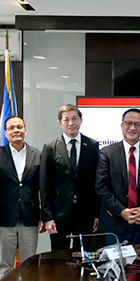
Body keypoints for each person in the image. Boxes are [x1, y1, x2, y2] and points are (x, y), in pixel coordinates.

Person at [95, 108, 140, 245]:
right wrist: (122, 211)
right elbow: (101, 187)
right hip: (115, 223)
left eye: (137, 124)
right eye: (128, 123)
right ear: (122, 126)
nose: (132, 128)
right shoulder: (107, 153)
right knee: (116, 265)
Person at [0, 116, 43, 278]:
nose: (16, 131)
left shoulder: (37, 154)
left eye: (19, 127)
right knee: (5, 265)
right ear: (5, 133)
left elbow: (42, 188)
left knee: (29, 265)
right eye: (11, 128)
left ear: (25, 130)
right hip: (4, 219)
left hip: (29, 218)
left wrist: (42, 216)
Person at [40, 104, 101, 251]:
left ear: (81, 121)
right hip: (59, 213)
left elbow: (97, 181)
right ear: (59, 123)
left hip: (85, 213)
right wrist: (47, 217)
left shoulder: (92, 145)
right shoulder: (50, 147)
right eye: (66, 120)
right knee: (60, 257)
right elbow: (45, 184)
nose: (71, 123)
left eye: (74, 119)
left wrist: (96, 214)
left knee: (85, 255)